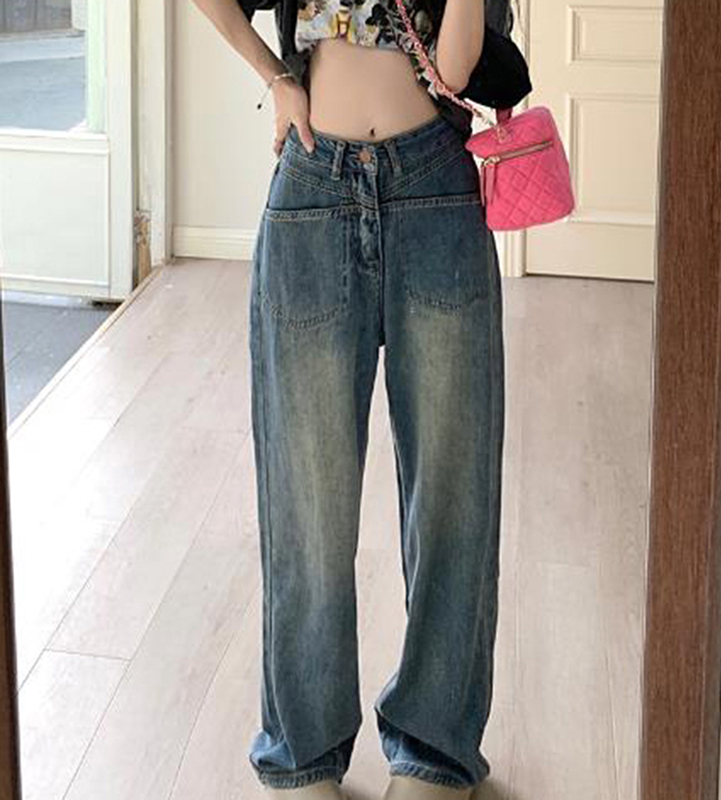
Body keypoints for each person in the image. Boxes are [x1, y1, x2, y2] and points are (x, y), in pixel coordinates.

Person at [190, 1, 514, 798]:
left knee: (453, 496)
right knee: (307, 504)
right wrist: (274, 75)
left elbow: (458, 67)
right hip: (313, 187)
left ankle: (436, 747)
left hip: (437, 188)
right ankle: (302, 752)